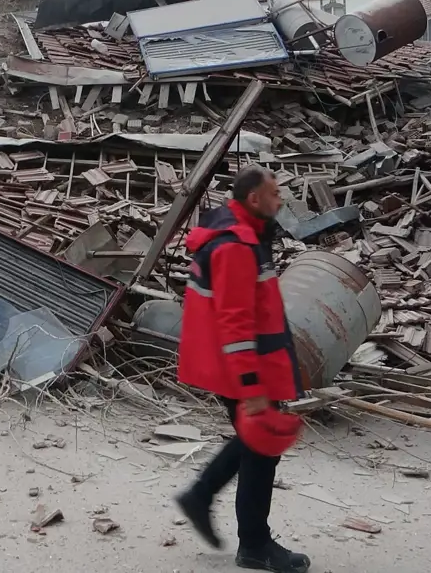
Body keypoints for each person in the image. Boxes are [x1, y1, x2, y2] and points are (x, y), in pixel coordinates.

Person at [174, 165, 310, 572]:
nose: (280, 198)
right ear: (254, 198)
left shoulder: (241, 228)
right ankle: (253, 544)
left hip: (235, 362)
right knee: (261, 447)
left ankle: (201, 496)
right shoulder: (234, 244)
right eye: (274, 192)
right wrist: (251, 385)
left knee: (255, 443)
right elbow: (235, 322)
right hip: (239, 366)